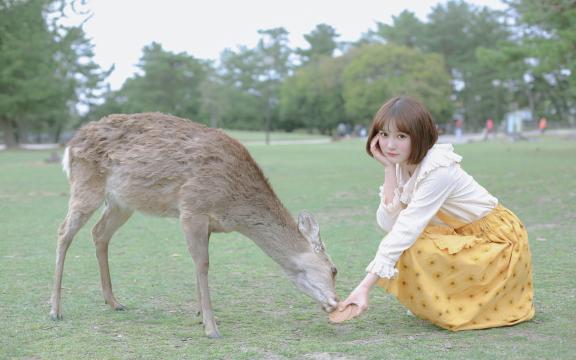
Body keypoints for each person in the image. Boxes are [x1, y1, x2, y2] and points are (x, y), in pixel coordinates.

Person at [338, 96, 535, 331]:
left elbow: (405, 228)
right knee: (408, 241)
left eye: (401, 136)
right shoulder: (402, 165)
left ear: (419, 135)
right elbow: (387, 223)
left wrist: (364, 287)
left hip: (498, 240)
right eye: (383, 134)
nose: (389, 145)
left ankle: (456, 303)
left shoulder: (438, 169)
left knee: (412, 243)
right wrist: (389, 171)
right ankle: (439, 299)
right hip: (463, 235)